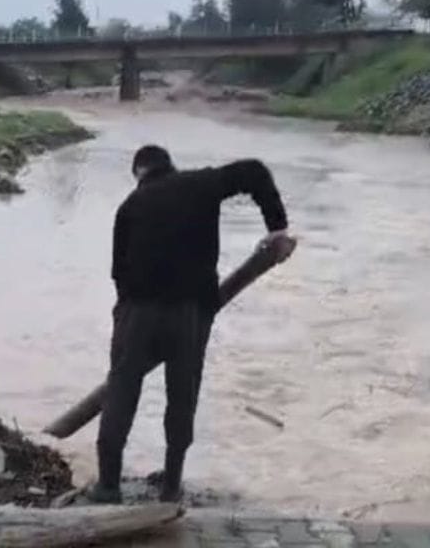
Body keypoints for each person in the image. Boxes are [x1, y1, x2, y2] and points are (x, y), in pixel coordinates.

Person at [89, 144, 293, 504]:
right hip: (190, 313)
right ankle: (171, 486)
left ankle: (108, 486)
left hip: (138, 312)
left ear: (139, 172)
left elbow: (117, 272)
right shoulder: (202, 184)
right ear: (170, 165)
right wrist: (277, 228)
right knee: (182, 396)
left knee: (121, 390)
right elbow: (255, 169)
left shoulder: (130, 206)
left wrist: (125, 318)